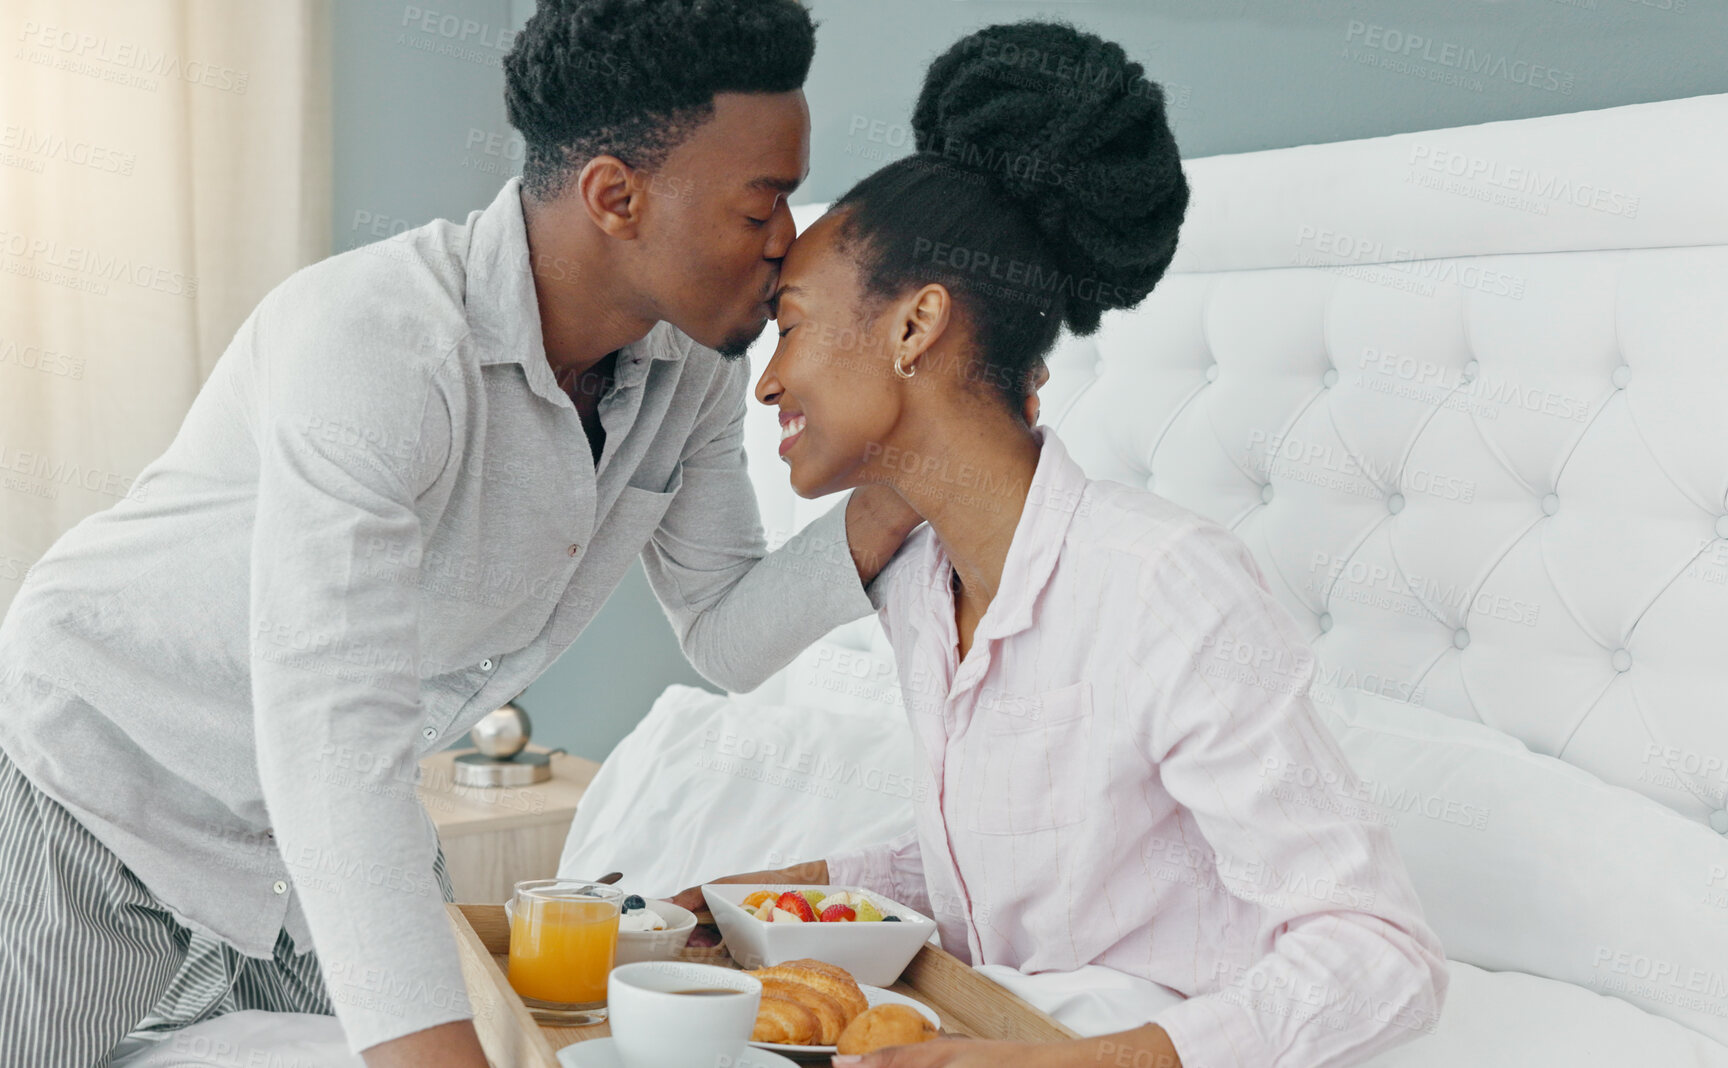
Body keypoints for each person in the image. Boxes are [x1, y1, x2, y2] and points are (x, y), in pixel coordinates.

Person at [0, 2, 926, 1066]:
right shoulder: (376, 344)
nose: (789, 246)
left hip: (304, 831)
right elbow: (330, 737)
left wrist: (905, 489)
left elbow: (725, 632)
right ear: (614, 197)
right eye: (762, 205)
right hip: (97, 773)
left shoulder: (692, 372)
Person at [670, 21, 1448, 1068]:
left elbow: (1380, 953)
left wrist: (1067, 1063)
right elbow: (1005, 859)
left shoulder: (1163, 585)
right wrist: (758, 900)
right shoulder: (917, 586)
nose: (766, 380)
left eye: (794, 323)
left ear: (914, 328)